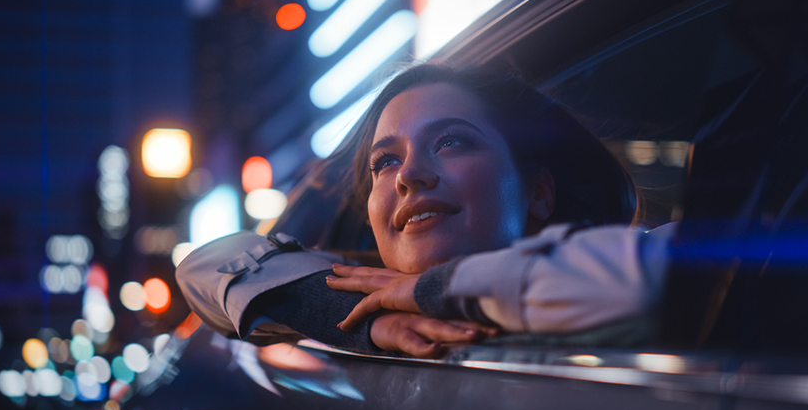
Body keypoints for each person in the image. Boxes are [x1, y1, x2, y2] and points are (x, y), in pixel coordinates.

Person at [176, 63, 674, 358]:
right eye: (385, 161)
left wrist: (437, 290)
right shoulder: (364, 288)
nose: (409, 175)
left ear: (539, 192)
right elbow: (202, 267)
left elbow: (673, 276)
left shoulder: (627, 262)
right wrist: (349, 315)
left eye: (451, 142)